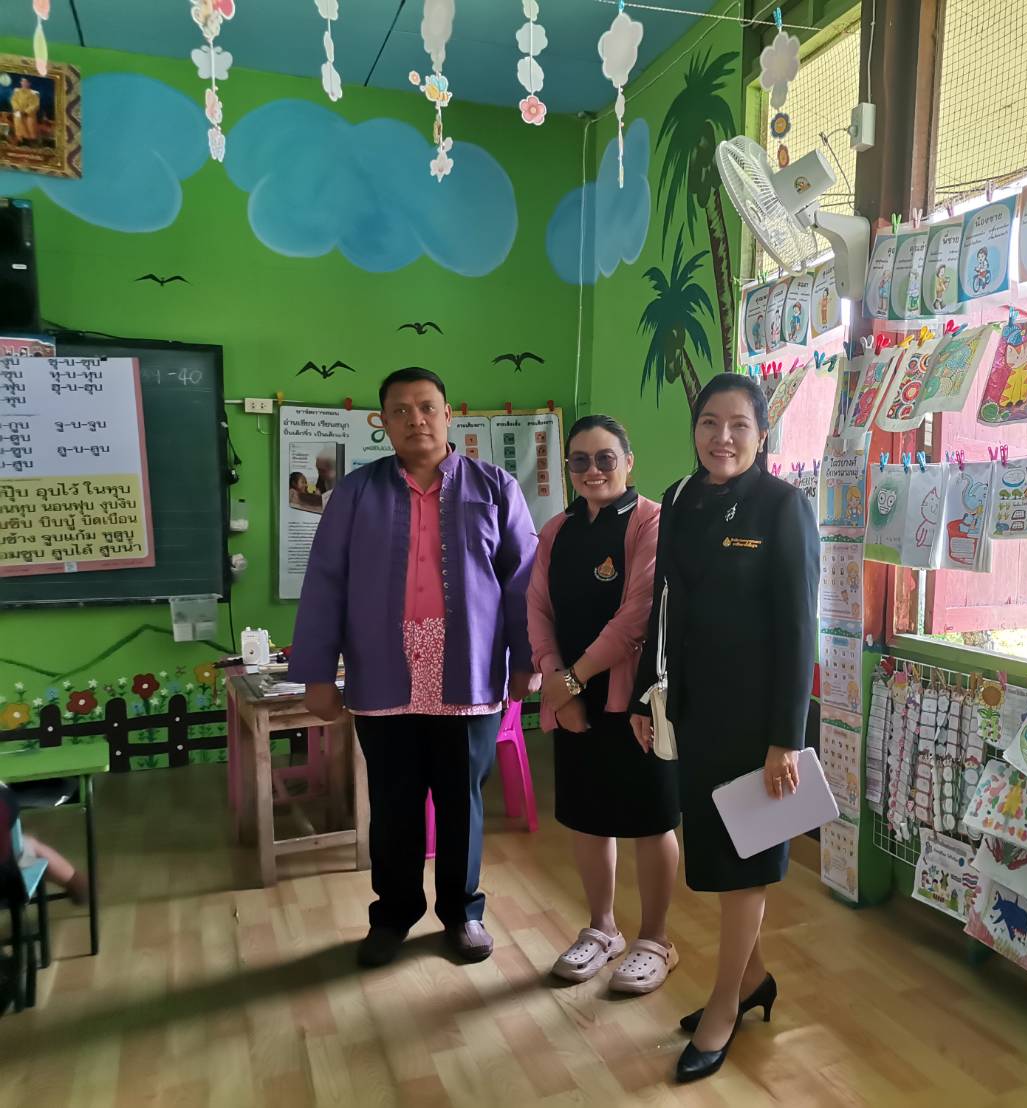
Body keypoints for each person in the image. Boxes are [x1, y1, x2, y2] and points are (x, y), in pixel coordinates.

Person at [287, 367, 539, 969]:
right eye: (400, 410)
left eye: (427, 407)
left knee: (461, 802)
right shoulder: (356, 492)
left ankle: (463, 913)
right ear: (383, 423)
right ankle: (394, 915)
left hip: (469, 671)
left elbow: (524, 582)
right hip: (384, 671)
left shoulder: (495, 486)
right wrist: (317, 673)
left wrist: (528, 661)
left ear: (449, 414)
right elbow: (325, 581)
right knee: (394, 803)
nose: (415, 419)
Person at [630, 373, 820, 1083]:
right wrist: (644, 694)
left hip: (756, 723)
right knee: (716, 857)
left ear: (762, 434)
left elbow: (799, 629)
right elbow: (663, 605)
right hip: (695, 710)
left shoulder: (783, 505)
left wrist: (786, 738)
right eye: (710, 423)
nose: (723, 437)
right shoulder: (680, 498)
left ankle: (722, 1007)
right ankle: (754, 980)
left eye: (739, 424)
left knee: (746, 865)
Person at [526, 415, 681, 992]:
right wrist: (556, 681)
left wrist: (573, 679)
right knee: (588, 818)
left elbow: (638, 614)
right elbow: (536, 608)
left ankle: (656, 940)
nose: (592, 470)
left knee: (651, 819)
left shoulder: (652, 523)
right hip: (572, 698)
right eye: (580, 461)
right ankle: (602, 929)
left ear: (628, 462)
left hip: (637, 700)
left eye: (605, 458)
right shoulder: (557, 530)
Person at [10, 78, 40, 146]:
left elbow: (35, 105)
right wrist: (17, 109)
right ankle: (19, 140)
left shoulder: (34, 93)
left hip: (29, 113)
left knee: (30, 126)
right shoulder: (16, 92)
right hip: (18, 111)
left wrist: (26, 111)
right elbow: (13, 100)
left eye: (26, 82)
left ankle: (30, 142)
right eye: (22, 82)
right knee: (18, 124)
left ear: (29, 83)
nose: (24, 83)